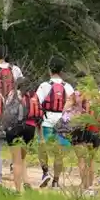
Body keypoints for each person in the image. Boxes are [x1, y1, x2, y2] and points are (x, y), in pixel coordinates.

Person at [36, 59, 76, 189]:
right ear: (62, 71)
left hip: (47, 121)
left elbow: (36, 103)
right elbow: (73, 106)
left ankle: (45, 172)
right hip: (62, 122)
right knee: (59, 153)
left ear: (49, 70)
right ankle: (56, 182)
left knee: (42, 147)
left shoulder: (44, 86)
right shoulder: (68, 87)